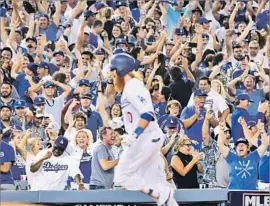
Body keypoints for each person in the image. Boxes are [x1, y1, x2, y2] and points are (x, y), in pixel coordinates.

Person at [110, 53, 178, 206]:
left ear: (121, 69)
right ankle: (163, 196)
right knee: (154, 180)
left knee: (121, 176)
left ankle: (160, 194)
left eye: (113, 70)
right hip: (149, 137)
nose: (112, 74)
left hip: (145, 138)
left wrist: (134, 135)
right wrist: (121, 121)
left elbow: (147, 114)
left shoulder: (132, 86)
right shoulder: (131, 86)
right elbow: (138, 113)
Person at [218, 121, 269, 190]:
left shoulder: (254, 156)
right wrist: (221, 130)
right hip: (234, 192)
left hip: (251, 193)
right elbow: (220, 145)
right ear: (236, 149)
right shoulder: (232, 157)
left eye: (242, 145)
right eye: (238, 145)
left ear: (248, 148)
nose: (240, 147)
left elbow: (265, 144)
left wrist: (262, 130)